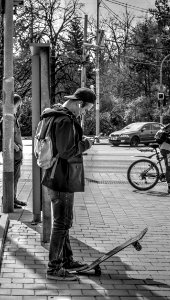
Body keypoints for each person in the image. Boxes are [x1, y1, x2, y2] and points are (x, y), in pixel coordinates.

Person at [41, 87, 96, 281]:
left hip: (55, 175)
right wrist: (86, 144)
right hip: (62, 177)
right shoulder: (64, 120)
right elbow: (67, 151)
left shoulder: (55, 116)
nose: (84, 113)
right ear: (80, 103)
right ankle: (54, 268)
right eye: (86, 109)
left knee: (64, 221)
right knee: (62, 223)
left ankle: (66, 259)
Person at [13, 94, 27, 209]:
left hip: (16, 154)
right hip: (14, 154)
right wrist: (16, 147)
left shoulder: (12, 117)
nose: (19, 108)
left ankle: (13, 198)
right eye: (19, 105)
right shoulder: (9, 118)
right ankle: (10, 199)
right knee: (13, 177)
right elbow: (6, 137)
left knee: (16, 177)